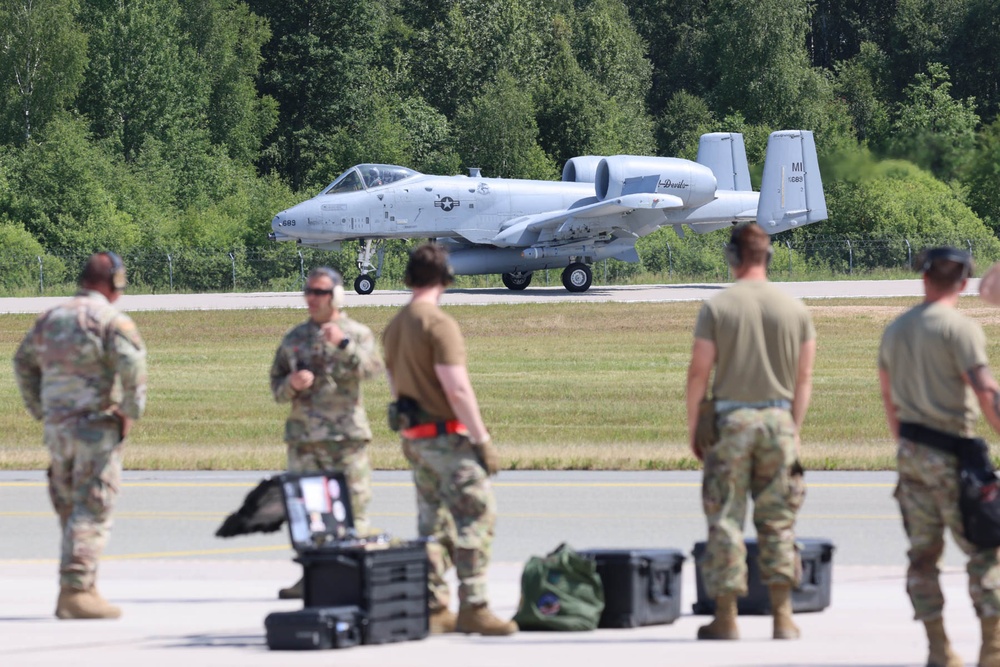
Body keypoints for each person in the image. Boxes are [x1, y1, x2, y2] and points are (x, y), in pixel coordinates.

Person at [686, 222, 815, 641]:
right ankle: (783, 616)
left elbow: (699, 373)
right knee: (778, 520)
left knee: (725, 518)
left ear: (732, 258)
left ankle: (726, 617)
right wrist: (791, 429)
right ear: (768, 257)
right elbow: (804, 379)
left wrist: (695, 427)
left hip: (731, 422)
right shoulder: (795, 308)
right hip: (779, 421)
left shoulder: (719, 306)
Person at [381, 243, 516, 636]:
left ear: (408, 278)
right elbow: (456, 389)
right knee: (476, 515)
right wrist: (482, 438)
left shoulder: (395, 326)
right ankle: (474, 604)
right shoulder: (438, 324)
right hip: (447, 439)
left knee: (433, 524)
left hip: (415, 438)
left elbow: (394, 384)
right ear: (445, 279)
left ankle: (434, 604)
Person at [879, 247, 1000, 667]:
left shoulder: (895, 329)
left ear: (925, 280)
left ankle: (938, 648)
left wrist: (907, 446)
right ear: (964, 283)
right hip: (954, 454)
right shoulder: (960, 329)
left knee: (923, 555)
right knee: (985, 549)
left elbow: (888, 395)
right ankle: (992, 649)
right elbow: (985, 390)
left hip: (912, 452)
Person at [13, 252, 147, 620]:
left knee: (71, 505)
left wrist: (42, 409)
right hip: (94, 427)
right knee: (92, 505)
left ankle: (84, 587)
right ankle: (75, 591)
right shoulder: (111, 320)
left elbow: (22, 362)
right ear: (114, 284)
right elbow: (134, 371)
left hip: (58, 429)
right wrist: (129, 415)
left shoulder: (51, 318)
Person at [269, 267, 384, 599]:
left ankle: (357, 576)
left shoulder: (356, 333)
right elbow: (276, 385)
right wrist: (289, 385)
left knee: (355, 510)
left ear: (335, 296)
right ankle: (312, 578)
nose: (312, 299)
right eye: (309, 292)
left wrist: (343, 345)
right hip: (305, 439)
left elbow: (372, 369)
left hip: (346, 437)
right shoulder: (294, 338)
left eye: (320, 292)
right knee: (308, 513)